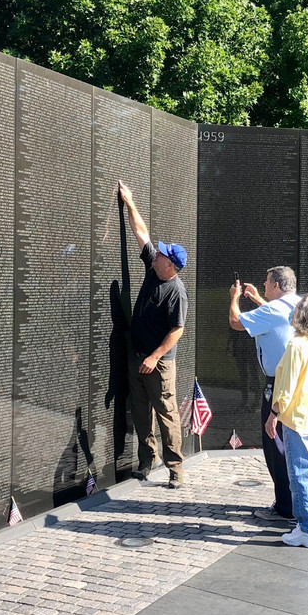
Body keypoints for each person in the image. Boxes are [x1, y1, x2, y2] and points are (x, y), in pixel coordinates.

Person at [118, 180, 189, 488]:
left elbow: (177, 330)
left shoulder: (176, 292)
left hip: (158, 363)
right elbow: (141, 233)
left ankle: (176, 469)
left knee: (166, 414)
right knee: (141, 412)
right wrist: (130, 203)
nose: (156, 254)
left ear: (171, 266)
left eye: (162, 255)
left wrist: (154, 356)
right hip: (137, 357)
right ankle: (148, 460)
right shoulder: (152, 268)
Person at [229, 266, 302, 523]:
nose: (264, 284)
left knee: (276, 445)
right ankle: (299, 503)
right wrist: (260, 300)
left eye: (267, 283)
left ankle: (285, 507)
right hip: (303, 383)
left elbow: (236, 322)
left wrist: (234, 298)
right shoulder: (303, 304)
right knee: (296, 445)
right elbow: (279, 319)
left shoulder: (271, 310)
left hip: (278, 384)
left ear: (277, 286)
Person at [264, 294, 308, 548]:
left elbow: (286, 387)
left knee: (299, 475)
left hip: (296, 419)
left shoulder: (296, 346)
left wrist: (273, 414)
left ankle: (307, 529)